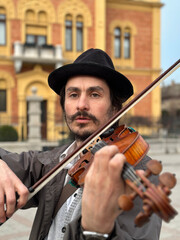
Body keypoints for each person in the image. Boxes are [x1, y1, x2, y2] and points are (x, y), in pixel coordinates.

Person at [0, 49, 161, 240]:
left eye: (94, 94)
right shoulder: (50, 162)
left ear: (115, 107)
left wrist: (98, 231)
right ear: (64, 104)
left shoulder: (142, 176)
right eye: (73, 94)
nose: (81, 104)